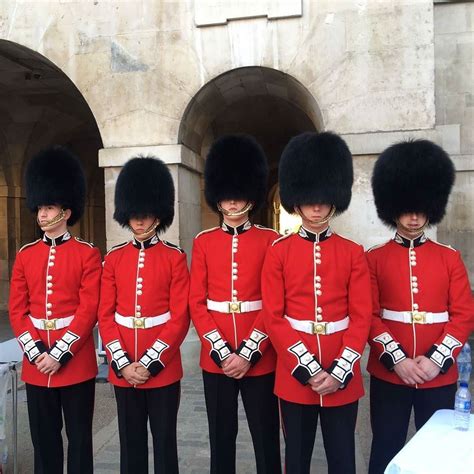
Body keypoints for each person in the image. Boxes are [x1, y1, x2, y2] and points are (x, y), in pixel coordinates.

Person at [262, 132, 372, 474]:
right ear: (296, 201)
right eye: (309, 198)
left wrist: (341, 369)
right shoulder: (279, 252)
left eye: (324, 197)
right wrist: (308, 368)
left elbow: (361, 315)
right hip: (296, 375)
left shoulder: (352, 252)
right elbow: (273, 316)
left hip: (343, 372)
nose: (317, 205)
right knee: (296, 461)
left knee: (343, 460)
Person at [367, 139, 474, 474]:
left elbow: (463, 315)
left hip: (437, 376)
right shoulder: (374, 259)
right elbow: (368, 316)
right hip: (390, 373)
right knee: (386, 446)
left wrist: (435, 361)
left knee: (438, 456)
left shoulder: (449, 257)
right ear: (392, 207)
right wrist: (398, 360)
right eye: (406, 208)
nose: (413, 216)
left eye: (420, 208)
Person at [189, 135, 281, 474]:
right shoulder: (204, 242)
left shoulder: (270, 241)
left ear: (250, 196)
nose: (231, 203)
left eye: (237, 195)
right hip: (217, 359)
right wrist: (222, 350)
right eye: (226, 196)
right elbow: (197, 303)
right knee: (221, 439)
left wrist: (248, 352)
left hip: (260, 354)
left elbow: (273, 304)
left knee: (266, 438)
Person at [9, 146, 102, 474]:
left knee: (79, 442)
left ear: (66, 211)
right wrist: (36, 353)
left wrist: (60, 353)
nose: (42, 215)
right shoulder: (26, 255)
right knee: (43, 443)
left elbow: (89, 309)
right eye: (41, 208)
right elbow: (17, 310)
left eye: (49, 208)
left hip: (75, 362)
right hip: (37, 366)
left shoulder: (87, 254)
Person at [98, 156, 190, 474]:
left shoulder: (175, 258)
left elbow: (179, 317)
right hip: (124, 366)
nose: (138, 220)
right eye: (133, 214)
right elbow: (105, 315)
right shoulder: (114, 259)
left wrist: (151, 362)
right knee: (130, 445)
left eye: (145, 213)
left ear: (158, 214)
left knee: (165, 444)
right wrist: (123, 362)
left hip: (161, 368)